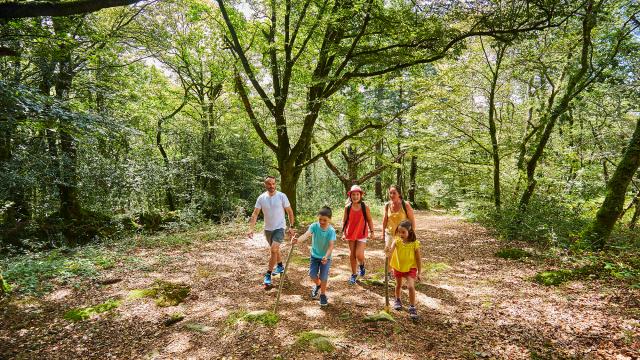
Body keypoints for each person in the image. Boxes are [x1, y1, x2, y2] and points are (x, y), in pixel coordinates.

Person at [248, 176, 295, 286]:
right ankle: (280, 266)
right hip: (268, 229)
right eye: (269, 184)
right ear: (265, 185)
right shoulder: (261, 198)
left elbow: (290, 211)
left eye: (273, 184)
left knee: (274, 250)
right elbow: (255, 214)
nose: (272, 186)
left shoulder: (282, 196)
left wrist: (291, 226)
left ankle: (268, 274)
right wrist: (251, 229)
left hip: (280, 228)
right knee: (275, 250)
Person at [291, 206, 336, 307]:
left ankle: (323, 294)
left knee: (324, 276)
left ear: (329, 219)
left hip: (325, 258)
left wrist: (326, 256)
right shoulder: (314, 226)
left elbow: (331, 245)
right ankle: (318, 284)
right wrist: (297, 240)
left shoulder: (331, 231)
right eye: (320, 219)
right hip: (315, 256)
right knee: (312, 275)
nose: (322, 222)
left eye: (325, 220)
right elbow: (306, 235)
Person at [385, 220, 421, 319]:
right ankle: (397, 299)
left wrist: (420, 272)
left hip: (411, 268)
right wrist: (387, 251)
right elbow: (391, 251)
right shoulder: (396, 241)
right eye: (399, 232)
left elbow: (418, 258)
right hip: (398, 267)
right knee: (398, 285)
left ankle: (412, 306)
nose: (401, 234)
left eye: (403, 232)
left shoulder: (415, 243)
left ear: (410, 231)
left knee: (410, 286)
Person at [341, 185, 374, 285]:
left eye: (357, 194)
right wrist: (343, 233)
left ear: (360, 195)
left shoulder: (365, 207)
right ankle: (354, 274)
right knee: (352, 254)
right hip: (350, 233)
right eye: (353, 194)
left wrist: (372, 231)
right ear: (350, 195)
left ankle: (362, 265)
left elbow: (369, 220)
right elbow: (344, 221)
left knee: (359, 254)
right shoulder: (348, 207)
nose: (355, 196)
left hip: (362, 233)